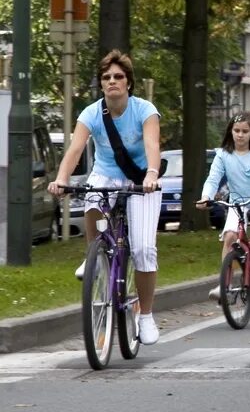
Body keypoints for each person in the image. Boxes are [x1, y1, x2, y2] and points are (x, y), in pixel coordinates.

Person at [47, 50, 163, 345]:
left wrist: (151, 174)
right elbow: (74, 149)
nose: (112, 81)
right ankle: (94, 255)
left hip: (141, 182)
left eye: (118, 77)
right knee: (92, 196)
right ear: (101, 84)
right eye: (106, 77)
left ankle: (146, 315)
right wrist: (61, 179)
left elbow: (152, 143)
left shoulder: (144, 110)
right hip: (106, 176)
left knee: (144, 251)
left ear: (128, 83)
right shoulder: (91, 113)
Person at [197, 111, 250, 300]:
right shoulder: (223, 155)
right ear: (230, 132)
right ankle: (224, 285)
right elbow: (213, 179)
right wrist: (206, 196)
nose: (240, 135)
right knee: (230, 237)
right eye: (236, 130)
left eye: (245, 131)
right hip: (238, 202)